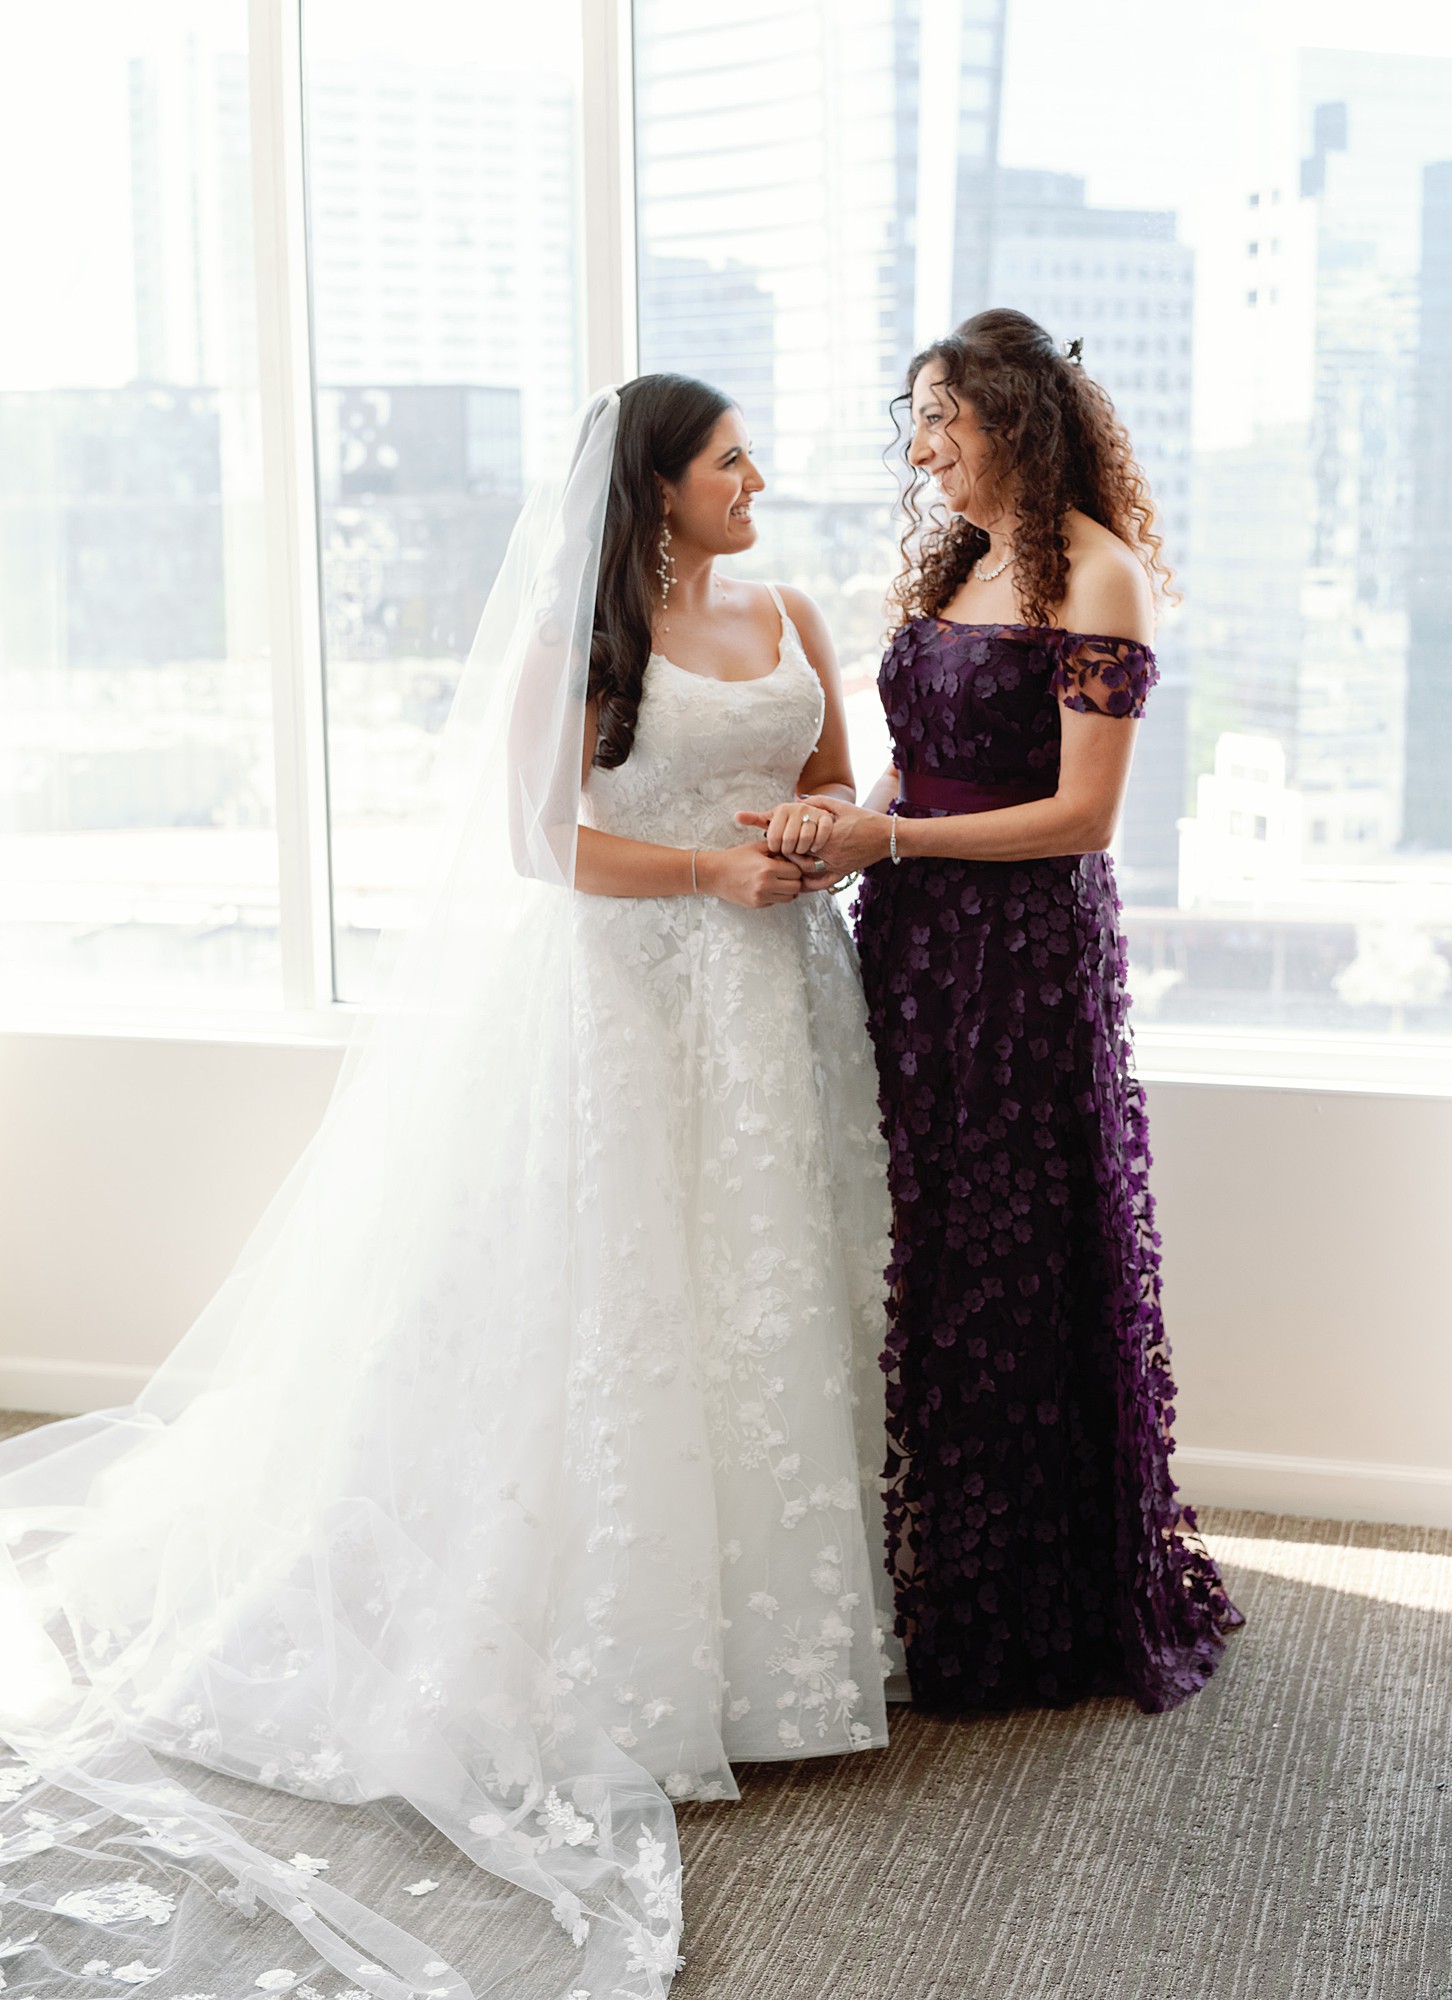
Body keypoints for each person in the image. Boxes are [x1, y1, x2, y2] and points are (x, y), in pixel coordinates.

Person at [0, 378, 891, 2000]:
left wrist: (822, 837)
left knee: (766, 1285)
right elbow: (540, 845)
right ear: (658, 491)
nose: (758, 477)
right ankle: (615, 1640)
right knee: (617, 1301)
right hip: (624, 999)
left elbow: (840, 769)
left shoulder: (794, 607)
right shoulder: (580, 641)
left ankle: (787, 1652)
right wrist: (708, 868)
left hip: (776, 1003)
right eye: (728, 461)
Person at [753, 309, 1245, 1713]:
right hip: (911, 940)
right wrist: (841, 823)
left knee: (1015, 1259)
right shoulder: (962, 560)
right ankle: (930, 1576)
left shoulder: (1101, 577)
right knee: (921, 1249)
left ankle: (1036, 1602)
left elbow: (1084, 818)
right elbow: (920, 771)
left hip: (1025, 957)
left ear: (1014, 421)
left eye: (940, 424)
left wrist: (890, 844)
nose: (923, 452)